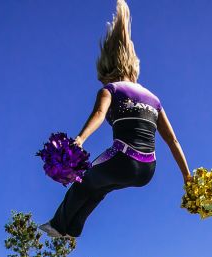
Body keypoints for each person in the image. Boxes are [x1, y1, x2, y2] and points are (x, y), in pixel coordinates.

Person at [39, 0, 190, 242]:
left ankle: (59, 225)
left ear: (107, 70)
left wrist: (80, 139)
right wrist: (187, 176)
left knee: (83, 180)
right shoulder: (154, 98)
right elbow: (172, 140)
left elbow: (99, 115)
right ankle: (73, 231)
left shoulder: (110, 89)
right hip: (147, 170)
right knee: (100, 187)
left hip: (124, 158)